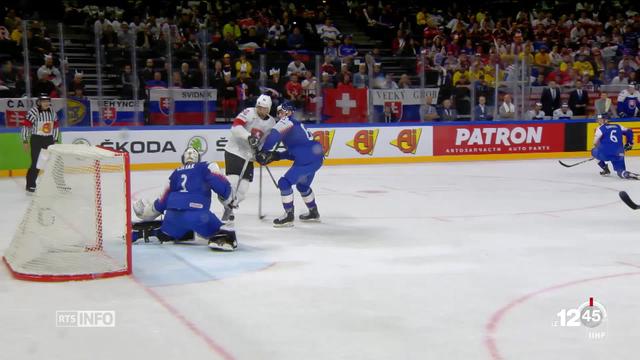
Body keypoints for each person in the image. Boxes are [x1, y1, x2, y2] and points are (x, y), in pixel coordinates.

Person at [132, 147, 238, 251]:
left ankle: (145, 234)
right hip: (198, 215)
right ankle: (221, 238)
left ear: (184, 159)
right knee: (226, 232)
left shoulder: (175, 173)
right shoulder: (206, 166)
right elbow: (220, 184)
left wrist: (145, 213)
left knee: (172, 231)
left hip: (173, 216)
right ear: (198, 158)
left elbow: (162, 202)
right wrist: (230, 198)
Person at [256, 102, 324, 227]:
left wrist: (264, 151)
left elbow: (274, 136)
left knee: (284, 183)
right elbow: (296, 152)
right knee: (302, 186)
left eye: (281, 112)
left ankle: (288, 215)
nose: (279, 115)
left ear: (288, 112)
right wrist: (276, 156)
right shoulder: (296, 126)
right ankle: (313, 212)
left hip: (307, 158)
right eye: (278, 112)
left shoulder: (287, 121)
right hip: (315, 157)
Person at [223, 94, 276, 222]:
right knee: (233, 183)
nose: (260, 109)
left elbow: (266, 141)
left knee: (242, 190)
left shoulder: (271, 122)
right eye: (259, 106)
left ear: (268, 109)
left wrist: (262, 153)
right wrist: (249, 137)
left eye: (264, 108)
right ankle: (227, 208)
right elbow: (235, 127)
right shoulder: (248, 112)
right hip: (234, 151)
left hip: (249, 156)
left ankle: (229, 204)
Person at [21, 94, 59, 193]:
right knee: (35, 163)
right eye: (43, 101)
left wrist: (55, 139)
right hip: (37, 139)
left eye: (47, 101)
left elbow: (55, 127)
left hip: (49, 139)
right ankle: (30, 185)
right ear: (39, 102)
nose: (46, 103)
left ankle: (58, 184)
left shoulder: (52, 112)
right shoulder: (33, 111)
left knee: (53, 162)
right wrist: (25, 140)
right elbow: (26, 126)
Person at [591, 114, 637, 179]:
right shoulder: (618, 126)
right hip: (619, 153)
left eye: (600, 120)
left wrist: (600, 150)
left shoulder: (600, 129)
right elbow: (629, 131)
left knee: (593, 151)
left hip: (605, 154)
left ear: (606, 120)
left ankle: (605, 169)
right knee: (620, 172)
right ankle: (625, 173)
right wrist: (629, 143)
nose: (598, 121)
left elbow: (595, 143)